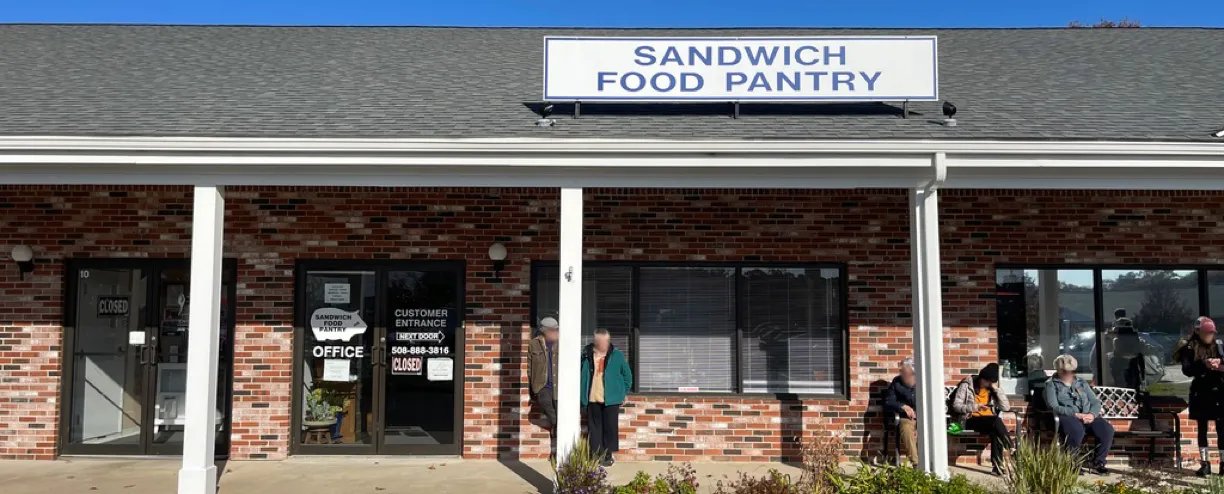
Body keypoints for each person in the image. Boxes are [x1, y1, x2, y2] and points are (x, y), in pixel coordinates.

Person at [1045, 354, 1114, 475]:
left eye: (1072, 371)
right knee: (1076, 430)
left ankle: (1099, 462)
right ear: (1059, 370)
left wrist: (1092, 414)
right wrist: (1075, 414)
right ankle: (1073, 463)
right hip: (1067, 416)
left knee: (1106, 429)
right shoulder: (1051, 384)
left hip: (1087, 415)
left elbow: (1095, 402)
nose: (1069, 374)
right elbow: (1053, 406)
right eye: (1066, 371)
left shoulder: (1081, 382)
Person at [1173, 316, 1224, 477]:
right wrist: (1204, 365)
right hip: (1201, 391)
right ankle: (1205, 463)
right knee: (1202, 428)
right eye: (1206, 333)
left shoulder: (1219, 345)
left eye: (1212, 333)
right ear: (1198, 332)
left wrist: (1220, 365)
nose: (1210, 336)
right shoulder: (1190, 347)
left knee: (1221, 428)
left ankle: (1223, 463)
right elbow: (1187, 370)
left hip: (1219, 390)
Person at [580, 328, 632, 467]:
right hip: (592, 398)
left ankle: (607, 456)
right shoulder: (586, 355)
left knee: (610, 428)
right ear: (595, 341)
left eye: (607, 341)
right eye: (602, 341)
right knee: (594, 429)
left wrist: (622, 393)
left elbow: (627, 376)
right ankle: (596, 455)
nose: (605, 344)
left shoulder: (617, 355)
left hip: (611, 399)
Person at [951, 363, 1013, 475]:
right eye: (987, 381)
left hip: (989, 421)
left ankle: (997, 466)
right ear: (981, 378)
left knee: (995, 432)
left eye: (991, 382)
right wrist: (975, 407)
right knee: (996, 421)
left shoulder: (992, 389)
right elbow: (956, 406)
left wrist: (997, 389)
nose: (988, 384)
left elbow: (1006, 407)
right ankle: (1011, 447)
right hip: (970, 419)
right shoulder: (967, 385)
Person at [528, 316, 560, 446]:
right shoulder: (533, 344)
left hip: (559, 385)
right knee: (545, 402)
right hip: (543, 385)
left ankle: (558, 448)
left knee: (560, 411)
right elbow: (530, 367)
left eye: (556, 329)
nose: (555, 332)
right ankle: (557, 424)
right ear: (544, 331)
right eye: (552, 330)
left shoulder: (562, 343)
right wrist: (532, 388)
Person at [883, 357, 918, 466]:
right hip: (907, 418)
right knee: (906, 428)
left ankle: (934, 461)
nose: (900, 372)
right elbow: (888, 402)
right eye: (900, 370)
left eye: (903, 370)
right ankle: (917, 464)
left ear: (911, 371)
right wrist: (902, 406)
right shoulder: (897, 382)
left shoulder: (924, 381)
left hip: (925, 417)